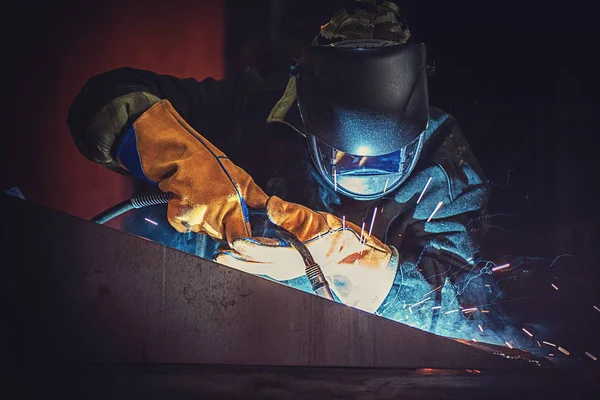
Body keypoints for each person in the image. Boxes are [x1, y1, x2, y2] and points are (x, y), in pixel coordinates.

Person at [67, 1, 491, 334]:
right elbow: (101, 99)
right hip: (203, 332)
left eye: (381, 158)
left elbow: (460, 310)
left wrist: (341, 261)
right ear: (305, 114)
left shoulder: (445, 166)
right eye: (340, 153)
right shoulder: (254, 109)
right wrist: (182, 158)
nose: (360, 166)